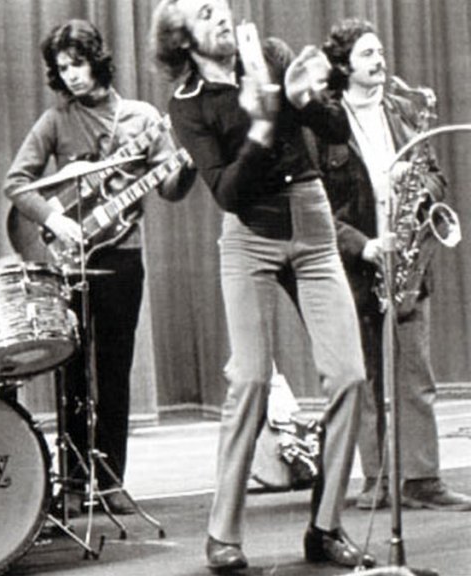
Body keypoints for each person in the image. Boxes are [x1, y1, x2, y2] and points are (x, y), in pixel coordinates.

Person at [150, 0, 375, 571]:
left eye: (222, 6)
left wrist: (303, 101)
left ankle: (325, 527)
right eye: (205, 12)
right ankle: (222, 534)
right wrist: (264, 121)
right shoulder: (188, 104)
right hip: (249, 235)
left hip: (313, 226)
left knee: (349, 376)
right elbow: (227, 192)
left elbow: (337, 130)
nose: (221, 16)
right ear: (183, 39)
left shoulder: (271, 55)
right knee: (249, 379)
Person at [3, 19, 195, 517]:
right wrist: (54, 219)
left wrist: (187, 168)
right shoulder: (55, 120)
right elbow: (16, 183)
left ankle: (110, 482)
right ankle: (71, 481)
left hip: (122, 256)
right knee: (71, 372)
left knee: (114, 371)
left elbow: (170, 188)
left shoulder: (143, 118)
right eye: (62, 67)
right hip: (69, 258)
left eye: (78, 64)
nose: (71, 75)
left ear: (97, 62)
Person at [318, 18, 471, 512]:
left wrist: (416, 183)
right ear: (344, 65)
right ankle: (376, 479)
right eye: (367, 53)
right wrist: (362, 245)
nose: (380, 60)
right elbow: (315, 206)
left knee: (416, 375)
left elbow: (438, 178)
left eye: (380, 51)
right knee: (366, 378)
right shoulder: (325, 123)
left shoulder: (404, 110)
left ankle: (422, 479)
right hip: (357, 259)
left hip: (407, 255)